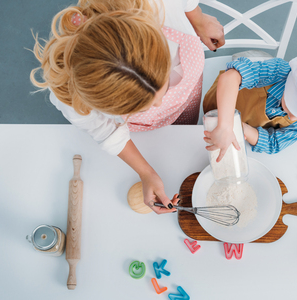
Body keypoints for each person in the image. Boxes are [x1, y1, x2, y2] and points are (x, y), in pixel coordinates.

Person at [30, 0, 225, 214]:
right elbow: (106, 131)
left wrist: (196, 18)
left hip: (188, 100)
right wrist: (146, 173)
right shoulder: (72, 97)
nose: (160, 103)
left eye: (165, 84)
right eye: (143, 106)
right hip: (145, 130)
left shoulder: (158, 4)